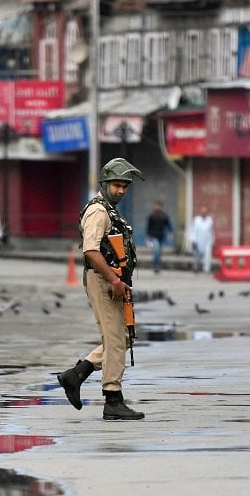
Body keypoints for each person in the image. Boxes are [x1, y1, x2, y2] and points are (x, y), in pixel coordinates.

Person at [57, 157, 145, 421]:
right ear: (105, 183)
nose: (121, 190)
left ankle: (76, 375)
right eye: (117, 185)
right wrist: (114, 281)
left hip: (114, 281)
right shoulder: (98, 211)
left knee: (123, 336)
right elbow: (91, 251)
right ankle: (113, 400)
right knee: (116, 338)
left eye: (125, 186)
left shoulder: (110, 209)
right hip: (103, 280)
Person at [146, 200, 173, 273]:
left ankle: (157, 264)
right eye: (156, 206)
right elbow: (148, 227)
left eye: (158, 206)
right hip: (153, 235)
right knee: (156, 250)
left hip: (161, 236)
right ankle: (156, 266)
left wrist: (170, 234)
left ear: (161, 207)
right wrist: (148, 237)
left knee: (158, 252)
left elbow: (168, 226)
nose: (157, 207)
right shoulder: (151, 216)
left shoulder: (164, 216)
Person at [189, 205, 214, 274]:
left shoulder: (210, 220)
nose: (204, 213)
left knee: (208, 255)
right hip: (198, 240)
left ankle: (206, 269)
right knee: (197, 255)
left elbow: (211, 231)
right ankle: (196, 267)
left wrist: (212, 241)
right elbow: (192, 231)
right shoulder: (196, 220)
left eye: (205, 212)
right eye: (202, 212)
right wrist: (193, 240)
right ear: (200, 213)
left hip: (207, 241)